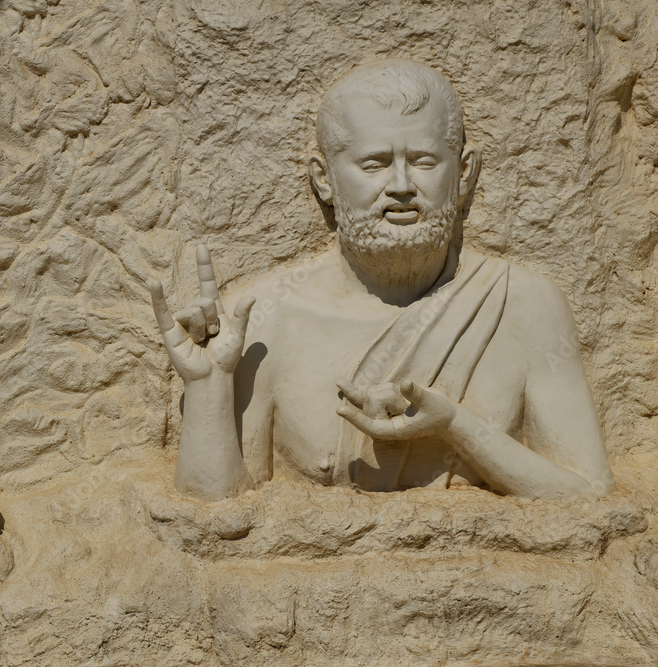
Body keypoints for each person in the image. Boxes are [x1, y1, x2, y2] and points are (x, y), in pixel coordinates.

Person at [149, 60, 615, 502]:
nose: (400, 185)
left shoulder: (528, 305)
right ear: (324, 178)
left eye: (424, 160)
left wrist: (455, 425)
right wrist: (208, 386)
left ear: (465, 173)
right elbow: (219, 519)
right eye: (373, 163)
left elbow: (589, 498)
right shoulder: (265, 316)